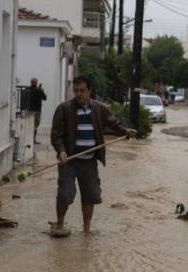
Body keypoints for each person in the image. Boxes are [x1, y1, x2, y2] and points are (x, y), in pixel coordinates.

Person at [51, 75, 137, 233]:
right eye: (76, 91)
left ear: (90, 90)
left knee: (90, 194)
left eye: (82, 90)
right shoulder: (64, 108)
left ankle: (86, 230)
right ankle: (60, 224)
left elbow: (113, 121)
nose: (79, 94)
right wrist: (61, 151)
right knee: (65, 193)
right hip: (68, 160)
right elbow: (56, 135)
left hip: (89, 161)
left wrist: (125, 130)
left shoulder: (99, 108)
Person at [29, 77, 47, 144]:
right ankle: (33, 140)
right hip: (37, 110)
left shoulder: (28, 89)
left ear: (30, 82)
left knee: (30, 125)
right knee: (35, 125)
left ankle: (29, 139)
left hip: (29, 110)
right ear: (36, 83)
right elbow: (45, 98)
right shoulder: (38, 90)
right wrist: (42, 91)